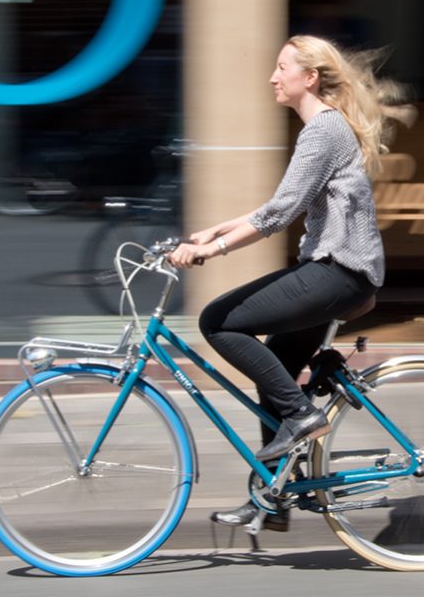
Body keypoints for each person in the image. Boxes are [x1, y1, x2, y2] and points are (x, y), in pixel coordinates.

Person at [168, 34, 396, 531]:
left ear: (308, 77)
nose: (273, 77)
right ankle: (273, 497)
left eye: (281, 68)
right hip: (335, 273)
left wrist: (212, 250)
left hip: (338, 272)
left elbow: (280, 213)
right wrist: (216, 228)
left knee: (218, 321)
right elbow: (282, 204)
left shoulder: (322, 130)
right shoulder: (324, 129)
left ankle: (302, 417)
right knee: (274, 375)